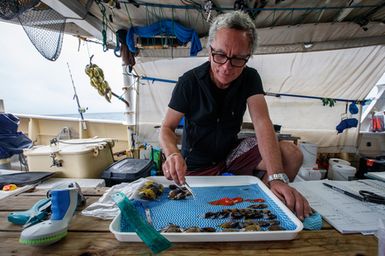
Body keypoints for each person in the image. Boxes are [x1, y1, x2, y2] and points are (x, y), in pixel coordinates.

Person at [159, 11, 311, 220]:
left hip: (231, 156)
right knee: (195, 214)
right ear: (210, 48)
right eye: (220, 55)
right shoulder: (189, 82)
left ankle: (267, 204)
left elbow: (261, 121)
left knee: (292, 154)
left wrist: (277, 177)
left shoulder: (250, 77)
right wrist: (173, 154)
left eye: (238, 58)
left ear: (248, 56)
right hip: (196, 166)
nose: (226, 67)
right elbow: (167, 128)